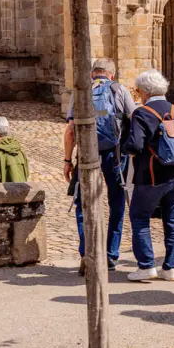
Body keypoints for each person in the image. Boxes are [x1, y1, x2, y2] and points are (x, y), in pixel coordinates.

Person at [63, 57, 136, 275]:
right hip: (115, 155)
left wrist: (67, 160)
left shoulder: (80, 92)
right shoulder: (119, 90)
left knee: (83, 203)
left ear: (93, 73)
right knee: (116, 202)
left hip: (86, 155)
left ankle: (87, 253)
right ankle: (111, 255)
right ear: (111, 74)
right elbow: (134, 119)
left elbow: (69, 131)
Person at [125, 69, 174, 282]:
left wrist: (125, 146)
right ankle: (170, 267)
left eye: (139, 90)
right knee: (173, 220)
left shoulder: (142, 113)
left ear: (145, 91)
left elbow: (135, 145)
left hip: (152, 176)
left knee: (139, 217)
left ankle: (146, 265)